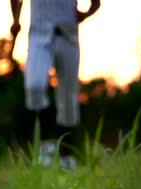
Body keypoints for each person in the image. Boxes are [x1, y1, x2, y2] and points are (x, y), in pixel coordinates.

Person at [10, 0, 101, 169]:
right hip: (38, 35)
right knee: (34, 86)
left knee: (68, 98)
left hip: (69, 37)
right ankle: (46, 148)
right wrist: (15, 20)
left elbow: (96, 2)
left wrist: (86, 14)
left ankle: (67, 155)